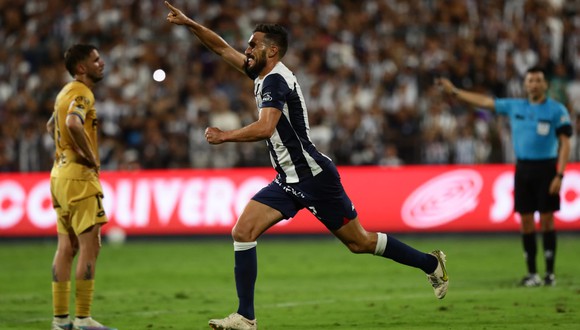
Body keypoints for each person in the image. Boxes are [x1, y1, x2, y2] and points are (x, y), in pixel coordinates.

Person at [164, 2, 448, 329]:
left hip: (314, 177)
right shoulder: (261, 72)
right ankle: (246, 316)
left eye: (253, 44)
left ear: (272, 51)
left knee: (360, 243)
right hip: (287, 179)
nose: (246, 48)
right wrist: (188, 23)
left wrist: (225, 136)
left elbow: (266, 127)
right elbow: (220, 47)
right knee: (243, 231)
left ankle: (430, 262)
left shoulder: (274, 82)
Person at [436, 66, 572, 287]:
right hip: (523, 169)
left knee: (547, 219)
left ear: (545, 84)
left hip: (547, 168)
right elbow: (485, 102)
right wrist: (455, 92)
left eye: (538, 80)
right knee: (526, 221)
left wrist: (560, 174)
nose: (534, 84)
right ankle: (532, 274)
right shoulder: (515, 106)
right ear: (526, 84)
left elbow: (566, 143)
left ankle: (549, 273)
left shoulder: (557, 110)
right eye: (530, 80)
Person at [47, 44, 117, 330]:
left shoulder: (64, 91)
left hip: (58, 176)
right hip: (79, 179)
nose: (101, 63)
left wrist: (65, 152)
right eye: (95, 60)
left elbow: (51, 125)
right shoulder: (82, 92)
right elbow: (72, 123)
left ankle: (60, 320)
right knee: (91, 246)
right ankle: (84, 319)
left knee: (67, 246)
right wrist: (91, 157)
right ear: (81, 68)